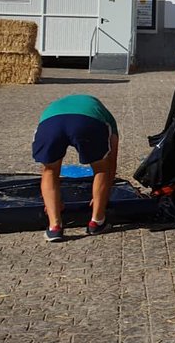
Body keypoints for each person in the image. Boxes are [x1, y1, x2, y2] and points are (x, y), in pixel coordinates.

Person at [32, 95, 120, 242]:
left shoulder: (54, 106)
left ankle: (54, 227)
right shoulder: (106, 116)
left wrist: (51, 203)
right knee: (101, 168)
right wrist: (102, 197)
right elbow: (112, 161)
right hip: (87, 122)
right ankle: (97, 222)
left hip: (50, 124)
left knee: (50, 170)